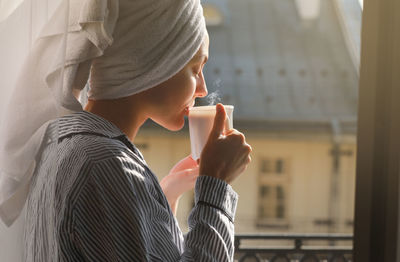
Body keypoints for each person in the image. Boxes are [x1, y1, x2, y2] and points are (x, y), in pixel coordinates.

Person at [0, 0, 251, 261]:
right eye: (195, 68)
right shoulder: (104, 163)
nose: (203, 89)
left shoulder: (63, 144)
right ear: (155, 62)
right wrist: (215, 188)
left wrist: (162, 197)